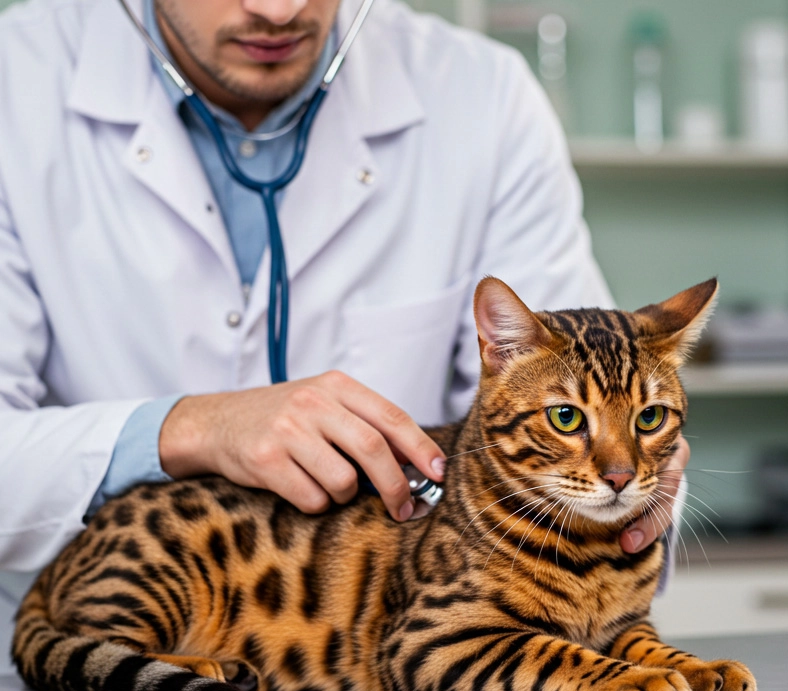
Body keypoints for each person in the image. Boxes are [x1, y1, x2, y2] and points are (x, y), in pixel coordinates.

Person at [0, 0, 688, 582]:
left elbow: (584, 393)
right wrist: (188, 428)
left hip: (392, 680)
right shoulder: (17, 78)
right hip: (65, 687)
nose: (279, 11)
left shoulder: (483, 97)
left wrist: (638, 481)